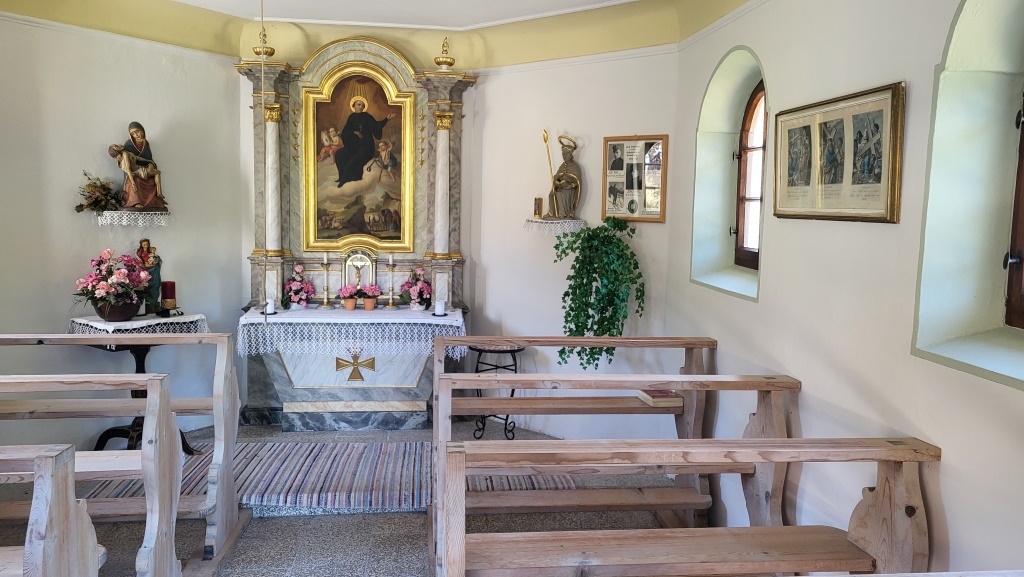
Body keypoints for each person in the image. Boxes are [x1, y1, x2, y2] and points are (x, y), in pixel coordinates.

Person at [333, 97, 396, 188]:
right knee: (339, 154)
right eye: (359, 105)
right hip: (354, 146)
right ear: (354, 106)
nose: (361, 107)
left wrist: (386, 118)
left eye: (362, 105)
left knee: (354, 160)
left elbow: (377, 125)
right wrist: (354, 132)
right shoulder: (351, 117)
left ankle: (346, 180)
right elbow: (345, 132)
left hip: (366, 147)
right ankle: (342, 176)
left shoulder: (367, 116)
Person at [109, 122, 167, 211]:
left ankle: (156, 201)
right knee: (136, 180)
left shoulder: (145, 143)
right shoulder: (128, 145)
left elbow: (147, 158)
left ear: (142, 130)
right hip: (135, 171)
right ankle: (136, 202)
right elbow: (127, 167)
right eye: (133, 133)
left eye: (137, 131)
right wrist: (132, 180)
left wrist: (150, 164)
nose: (136, 135)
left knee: (152, 178)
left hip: (144, 168)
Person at [546, 136, 583, 219]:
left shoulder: (575, 166)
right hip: (560, 187)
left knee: (559, 194)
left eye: (566, 154)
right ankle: (552, 213)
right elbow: (556, 176)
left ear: (571, 155)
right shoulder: (562, 166)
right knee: (552, 193)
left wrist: (570, 184)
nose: (564, 156)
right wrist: (557, 179)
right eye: (563, 154)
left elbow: (577, 181)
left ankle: (562, 213)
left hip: (569, 189)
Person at [136, 238, 162, 314]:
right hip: (144, 271)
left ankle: (153, 303)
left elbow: (156, 259)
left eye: (146, 244)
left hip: (152, 270)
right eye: (144, 244)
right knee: (146, 287)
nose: (145, 246)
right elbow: (138, 261)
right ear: (141, 245)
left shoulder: (151, 252)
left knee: (154, 286)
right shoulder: (140, 252)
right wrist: (144, 265)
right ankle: (147, 304)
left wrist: (155, 261)